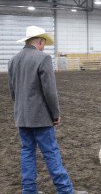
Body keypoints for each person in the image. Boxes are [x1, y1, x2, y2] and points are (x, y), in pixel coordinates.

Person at [8, 26, 87, 194]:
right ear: (40, 41)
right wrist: (56, 113)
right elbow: (50, 91)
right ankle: (65, 190)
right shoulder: (43, 58)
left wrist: (21, 110)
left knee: (27, 152)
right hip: (41, 117)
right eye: (44, 43)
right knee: (51, 152)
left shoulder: (13, 60)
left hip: (22, 116)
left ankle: (29, 191)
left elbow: (12, 91)